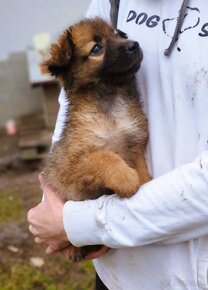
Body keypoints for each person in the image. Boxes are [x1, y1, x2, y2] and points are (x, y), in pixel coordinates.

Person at [27, 0, 208, 289]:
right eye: (99, 48)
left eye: (119, 36)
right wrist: (59, 210)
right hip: (117, 272)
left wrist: (81, 223)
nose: (126, 43)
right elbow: (70, 106)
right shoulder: (111, 2)